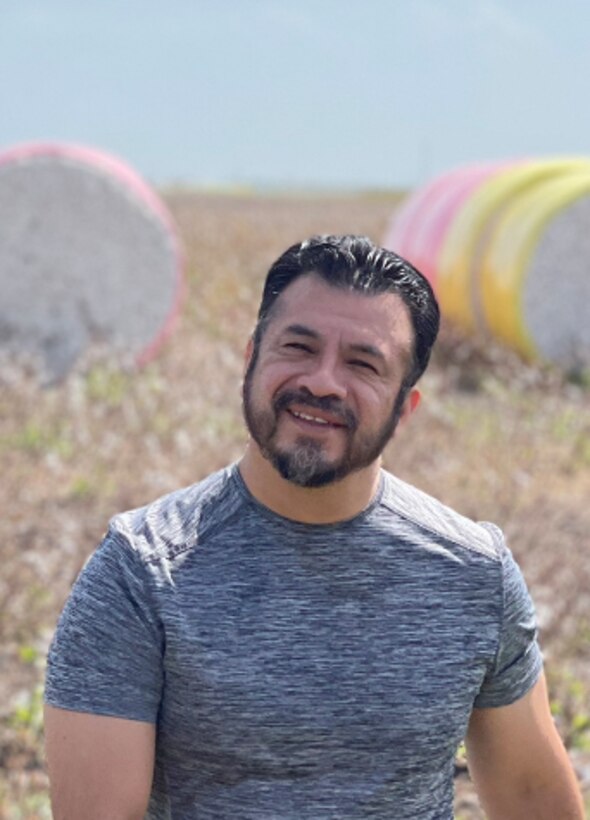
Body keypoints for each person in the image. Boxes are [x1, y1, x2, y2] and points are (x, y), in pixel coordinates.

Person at [44, 235, 585, 819]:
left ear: (406, 407)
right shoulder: (141, 572)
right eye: (298, 348)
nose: (324, 382)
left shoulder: (473, 573)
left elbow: (534, 797)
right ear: (250, 359)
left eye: (363, 363)